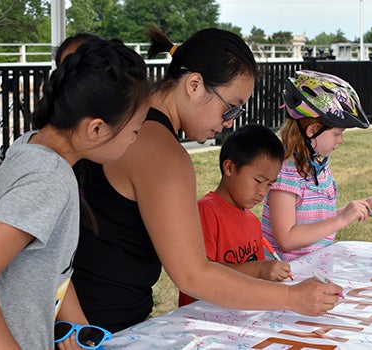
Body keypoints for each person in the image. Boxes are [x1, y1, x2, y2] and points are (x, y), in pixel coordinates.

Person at [71, 27, 342, 333]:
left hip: (82, 314)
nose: (231, 121)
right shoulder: (162, 151)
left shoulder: (131, 121)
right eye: (232, 107)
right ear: (195, 85)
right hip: (98, 325)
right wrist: (291, 297)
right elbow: (193, 275)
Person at [0, 38, 151, 349]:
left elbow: (49, 263)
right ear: (96, 129)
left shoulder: (32, 145)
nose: (134, 140)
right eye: (136, 130)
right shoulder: (50, 180)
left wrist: (80, 329)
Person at [261, 70, 372, 262]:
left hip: (312, 270)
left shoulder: (317, 169)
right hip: (287, 278)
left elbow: (315, 224)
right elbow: (287, 238)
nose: (341, 140)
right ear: (313, 130)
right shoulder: (286, 175)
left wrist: (356, 209)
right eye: (337, 133)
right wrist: (341, 219)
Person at [178, 124, 290, 307]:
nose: (263, 192)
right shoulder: (206, 212)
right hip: (203, 319)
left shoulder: (253, 222)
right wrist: (258, 270)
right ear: (229, 168)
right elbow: (198, 276)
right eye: (259, 181)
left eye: (269, 184)